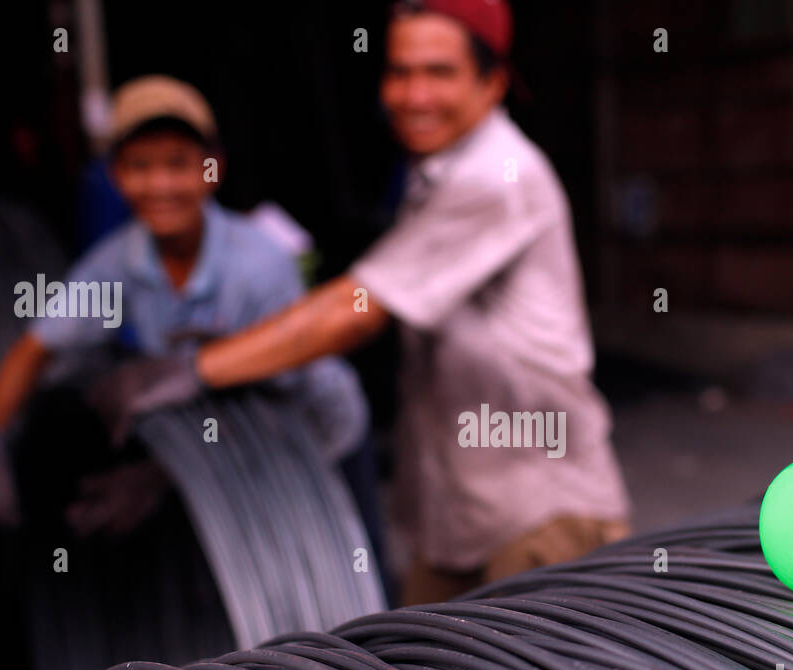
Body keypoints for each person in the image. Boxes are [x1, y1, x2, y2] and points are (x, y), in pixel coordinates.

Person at [90, 1, 631, 604]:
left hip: (540, 521)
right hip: (458, 525)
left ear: (493, 82)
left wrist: (188, 371)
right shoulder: (437, 175)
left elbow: (357, 308)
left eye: (439, 73)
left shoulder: (496, 175)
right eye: (399, 72)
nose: (412, 94)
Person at [0, 75, 374, 546]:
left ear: (212, 169)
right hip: (225, 445)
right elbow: (35, 349)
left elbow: (274, 408)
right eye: (140, 166)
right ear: (116, 176)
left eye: (179, 164)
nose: (160, 185)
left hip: (315, 433)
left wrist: (165, 476)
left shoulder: (259, 266)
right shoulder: (116, 263)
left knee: (334, 570)